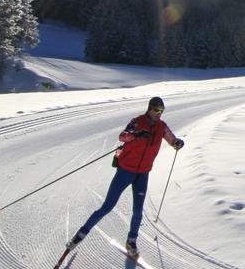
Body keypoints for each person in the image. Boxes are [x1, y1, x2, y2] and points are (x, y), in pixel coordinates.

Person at [66, 96, 184, 258]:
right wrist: (136, 135)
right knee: (107, 206)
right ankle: (80, 234)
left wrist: (177, 143)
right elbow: (123, 136)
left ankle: (131, 242)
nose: (159, 114)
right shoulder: (137, 122)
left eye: (161, 111)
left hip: (143, 173)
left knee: (137, 210)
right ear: (149, 109)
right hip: (125, 171)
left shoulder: (161, 127)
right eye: (156, 110)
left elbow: (172, 139)